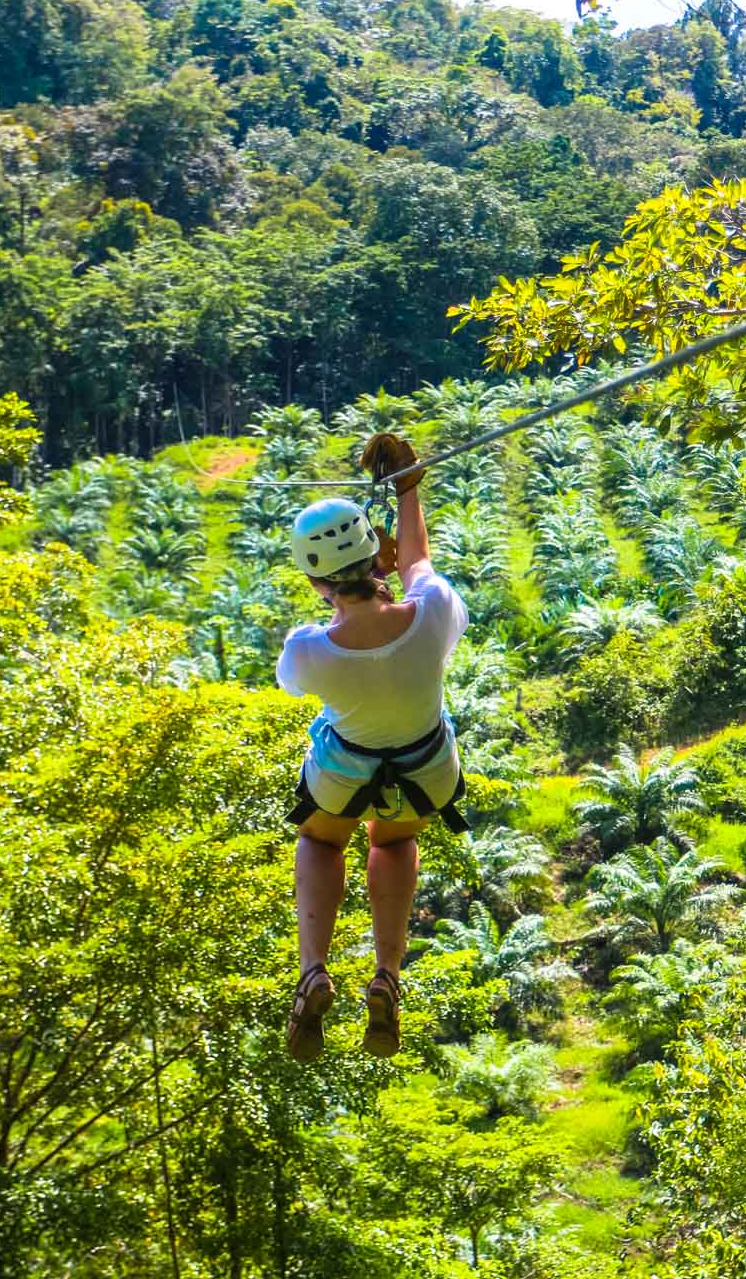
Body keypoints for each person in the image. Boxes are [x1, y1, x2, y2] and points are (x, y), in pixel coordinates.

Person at [274, 434, 468, 1061]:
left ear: (313, 578)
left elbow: (296, 679)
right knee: (395, 839)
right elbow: (419, 563)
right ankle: (387, 975)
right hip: (427, 766)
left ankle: (313, 971)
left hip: (344, 771)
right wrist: (407, 487)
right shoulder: (432, 611)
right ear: (374, 556)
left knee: (321, 839)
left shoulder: (309, 648)